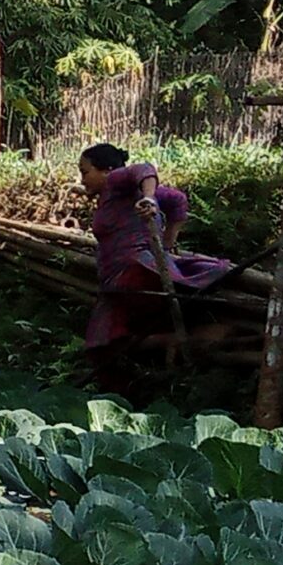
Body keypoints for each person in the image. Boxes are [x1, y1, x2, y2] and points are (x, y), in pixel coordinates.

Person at [78, 141, 233, 387]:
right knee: (110, 338)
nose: (82, 179)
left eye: (85, 172)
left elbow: (144, 168)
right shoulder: (116, 194)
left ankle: (184, 341)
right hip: (122, 275)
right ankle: (172, 342)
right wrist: (168, 243)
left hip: (133, 273)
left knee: (107, 337)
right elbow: (178, 201)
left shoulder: (116, 181)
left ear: (107, 170)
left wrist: (150, 200)